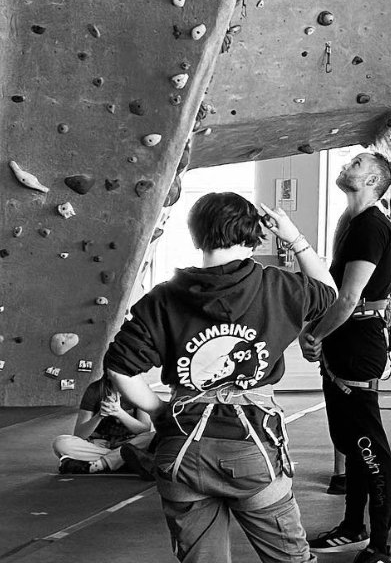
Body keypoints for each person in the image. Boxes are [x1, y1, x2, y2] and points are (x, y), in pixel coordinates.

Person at [104, 191, 337, 563]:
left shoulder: (163, 298)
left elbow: (119, 366)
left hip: (181, 449)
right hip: (251, 447)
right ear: (253, 234)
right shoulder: (277, 287)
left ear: (196, 236)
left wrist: (161, 412)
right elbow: (329, 293)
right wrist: (294, 239)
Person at [300, 151, 391, 563]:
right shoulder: (351, 223)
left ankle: (380, 546)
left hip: (356, 344)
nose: (347, 165)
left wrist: (315, 335)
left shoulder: (371, 227)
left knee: (368, 445)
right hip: (346, 341)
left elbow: (349, 297)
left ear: (373, 180)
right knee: (350, 442)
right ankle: (353, 525)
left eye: (357, 163)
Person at [53, 373, 155, 475]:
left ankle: (101, 464)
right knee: (61, 443)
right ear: (109, 375)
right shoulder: (95, 389)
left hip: (129, 443)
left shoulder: (141, 390)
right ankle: (124, 461)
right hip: (100, 445)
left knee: (153, 436)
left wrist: (119, 413)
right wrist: (99, 416)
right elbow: (79, 434)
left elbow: (145, 429)